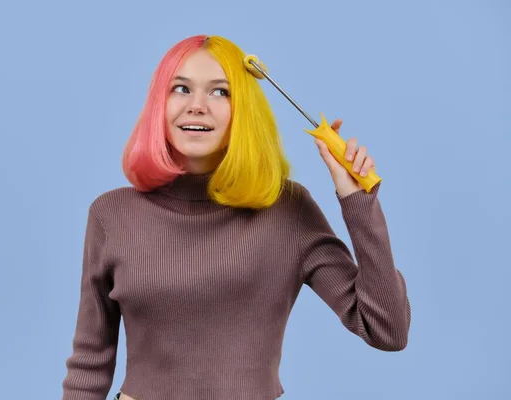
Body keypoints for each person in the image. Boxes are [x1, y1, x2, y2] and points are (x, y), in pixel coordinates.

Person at [61, 35, 411, 400]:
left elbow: (386, 329)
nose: (197, 106)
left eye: (220, 92)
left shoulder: (287, 209)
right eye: (180, 89)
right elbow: (90, 359)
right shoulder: (111, 214)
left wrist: (358, 203)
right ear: (158, 105)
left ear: (244, 110)